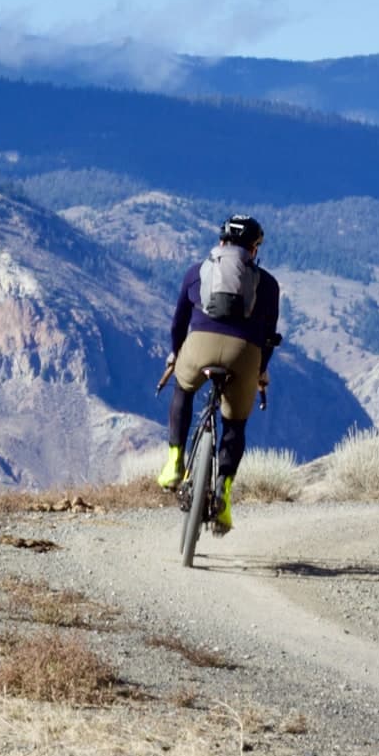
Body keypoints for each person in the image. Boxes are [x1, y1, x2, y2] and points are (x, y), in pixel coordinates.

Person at [157, 214, 281, 532]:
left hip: (199, 347)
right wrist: (261, 370)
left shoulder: (197, 272)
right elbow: (268, 337)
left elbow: (177, 324)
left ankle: (174, 462)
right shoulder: (267, 284)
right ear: (254, 249)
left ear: (221, 241)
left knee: (184, 389)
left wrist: (176, 356)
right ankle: (224, 493)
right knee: (235, 423)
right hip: (245, 355)